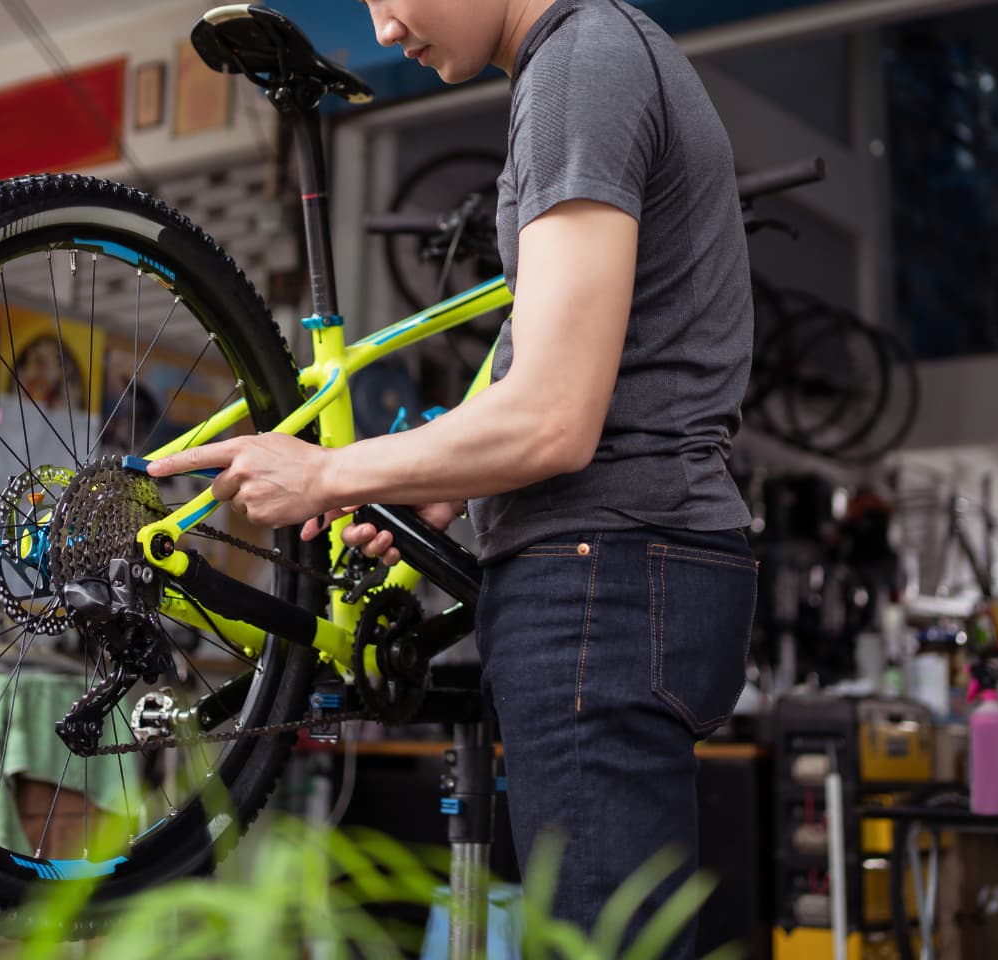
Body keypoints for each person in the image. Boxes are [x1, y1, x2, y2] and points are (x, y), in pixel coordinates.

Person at [146, 0, 755, 952]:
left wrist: (329, 474)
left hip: (605, 575)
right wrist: (448, 484)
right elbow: (540, 376)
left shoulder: (580, 66)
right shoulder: (587, 61)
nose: (383, 30)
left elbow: (554, 419)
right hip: (623, 572)